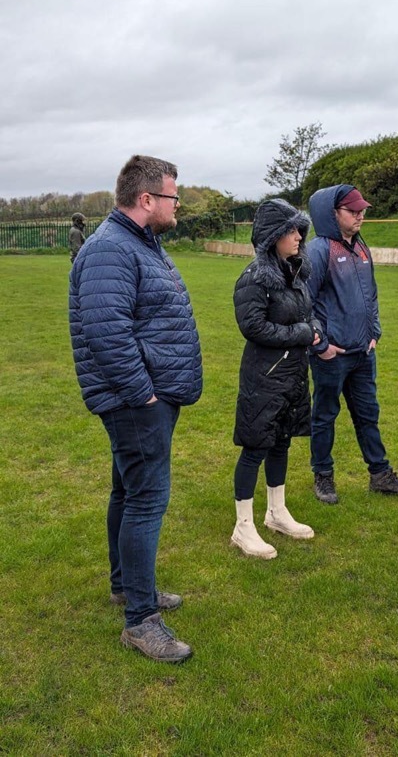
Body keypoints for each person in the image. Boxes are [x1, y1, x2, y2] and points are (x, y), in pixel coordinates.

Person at [69, 155, 202, 662]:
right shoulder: (110, 248)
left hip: (143, 395)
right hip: (135, 400)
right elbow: (107, 332)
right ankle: (141, 621)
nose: (178, 206)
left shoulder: (137, 243)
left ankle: (126, 587)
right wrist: (143, 394)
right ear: (147, 199)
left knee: (127, 491)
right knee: (146, 499)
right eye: (173, 197)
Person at [306, 184, 398, 504]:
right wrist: (321, 345)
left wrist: (374, 332)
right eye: (352, 211)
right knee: (325, 416)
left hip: (362, 353)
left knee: (368, 415)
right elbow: (304, 303)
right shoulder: (319, 250)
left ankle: (380, 475)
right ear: (332, 214)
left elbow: (372, 294)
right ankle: (323, 476)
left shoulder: (361, 247)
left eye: (362, 210)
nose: (360, 216)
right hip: (332, 355)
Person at [231, 199, 320, 559]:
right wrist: (302, 333)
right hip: (264, 378)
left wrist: (315, 329)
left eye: (300, 229)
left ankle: (276, 513)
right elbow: (252, 327)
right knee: (256, 448)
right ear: (272, 237)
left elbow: (309, 315)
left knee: (282, 442)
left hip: (293, 375)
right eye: (291, 230)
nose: (299, 237)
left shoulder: (294, 273)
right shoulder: (254, 278)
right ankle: (243, 527)